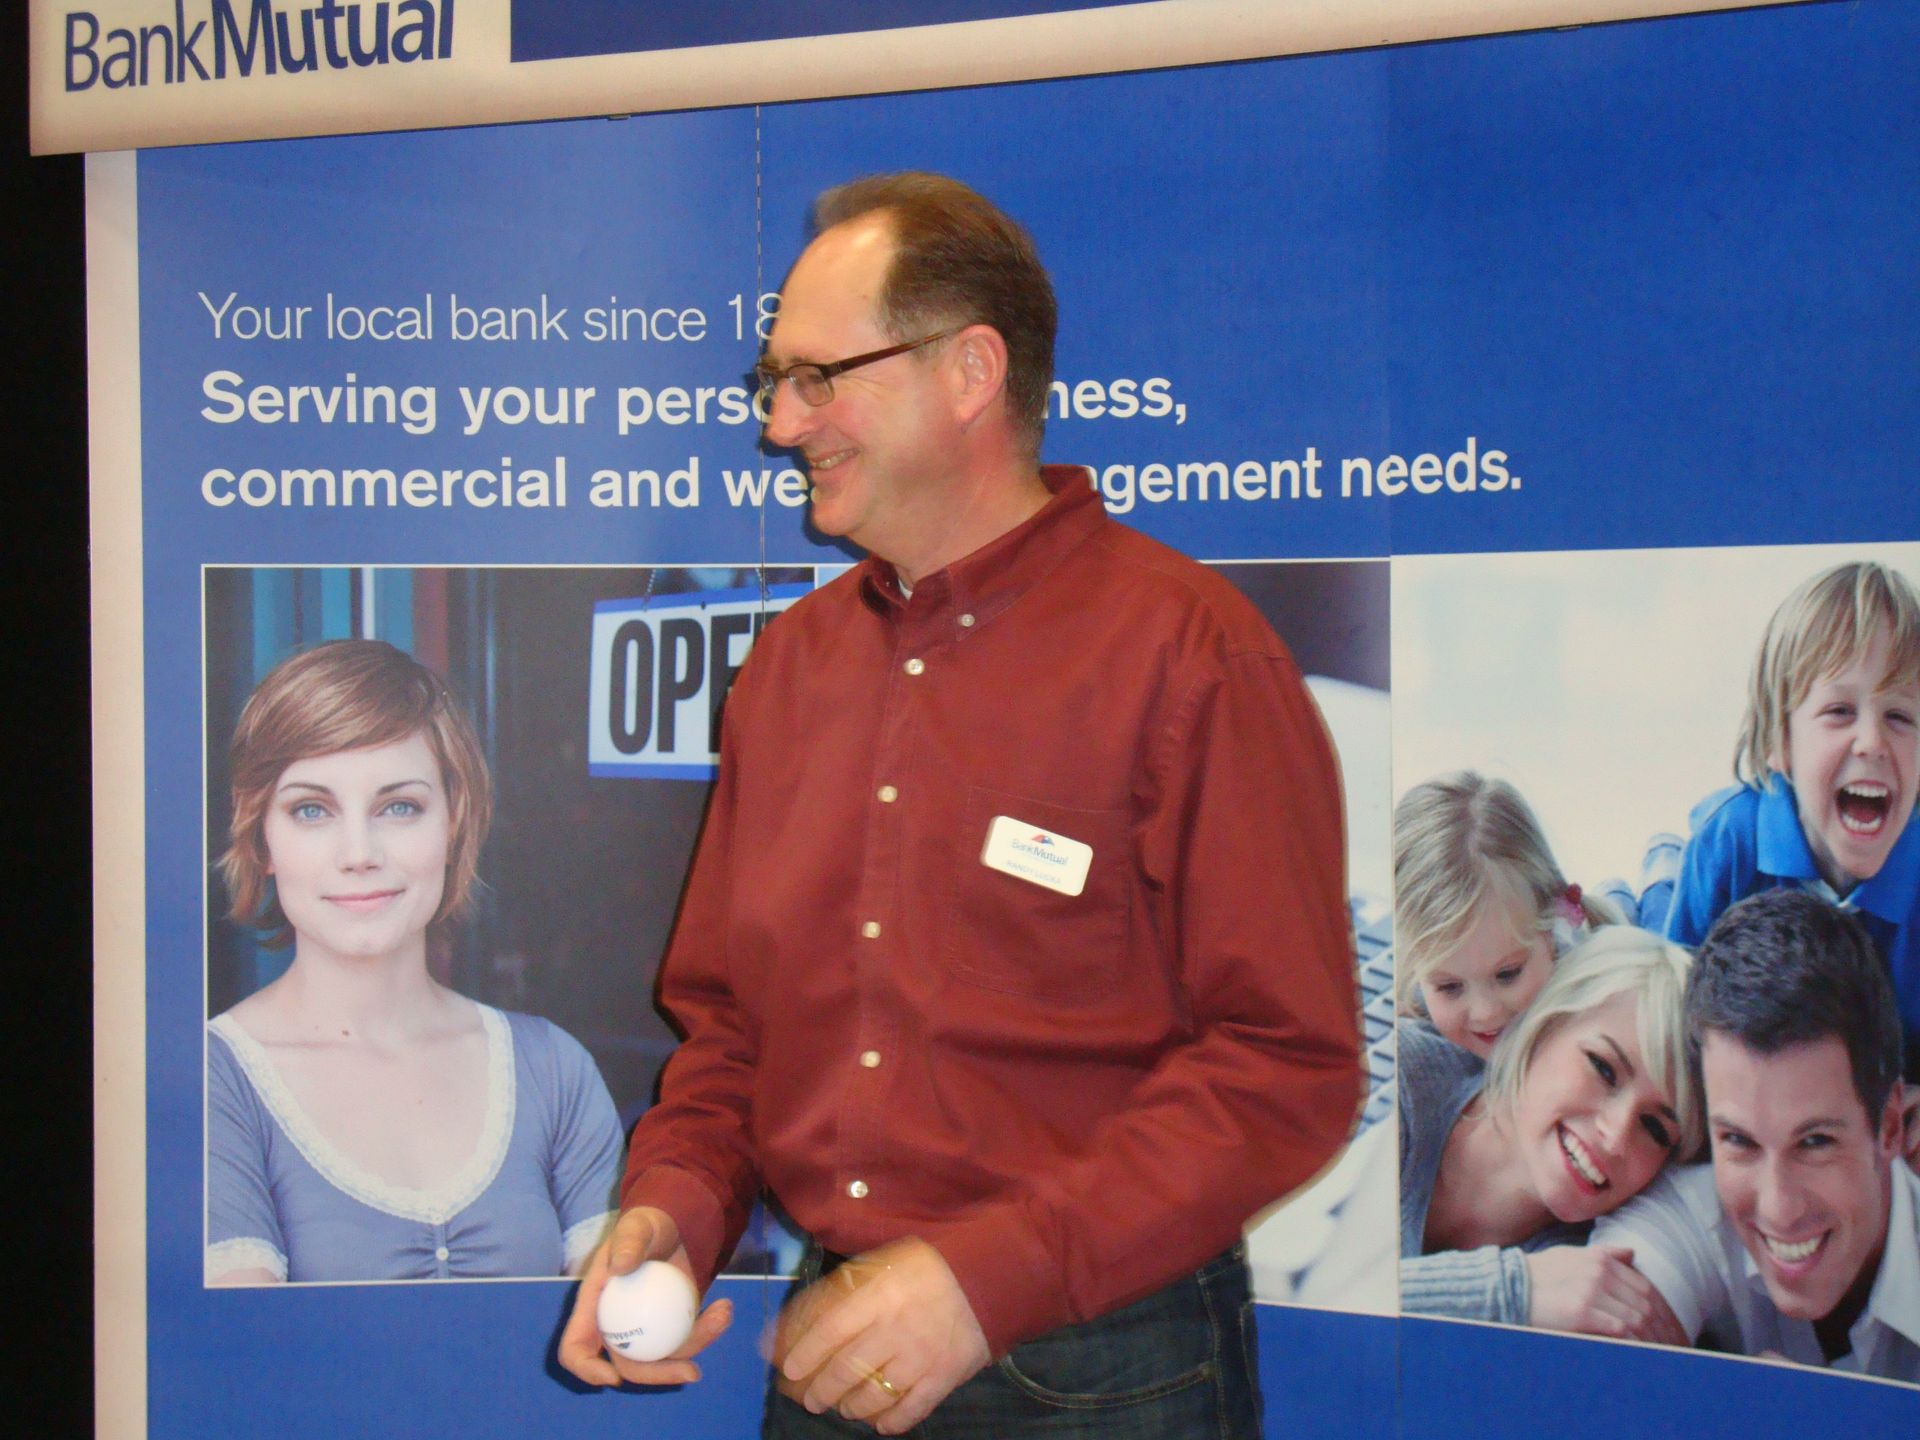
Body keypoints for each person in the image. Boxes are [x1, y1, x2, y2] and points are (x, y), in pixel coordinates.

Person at [557, 173, 1359, 1437]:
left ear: (971, 372)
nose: (780, 424)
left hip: (1104, 1367)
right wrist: (672, 1211)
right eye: (775, 380)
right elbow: (729, 1037)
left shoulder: (1191, 658)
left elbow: (1286, 1070)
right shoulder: (791, 672)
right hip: (833, 1351)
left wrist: (983, 1285)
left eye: (819, 376)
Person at [206, 639, 623, 1284]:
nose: (359, 853)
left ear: (454, 822)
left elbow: (607, 1342)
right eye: (311, 810)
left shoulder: (555, 1070)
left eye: (398, 806)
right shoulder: (210, 1081)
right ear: (262, 837)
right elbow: (246, 1365)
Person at [1594, 890, 1920, 1382]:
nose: (1778, 1209)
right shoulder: (1683, 1217)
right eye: (1739, 1142)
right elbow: (1592, 1376)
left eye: (1815, 1143)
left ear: (1889, 1126)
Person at [1666, 560, 1920, 1085]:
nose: (1872, 740)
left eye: (1900, 716)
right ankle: (1658, 865)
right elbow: (1670, 1014)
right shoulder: (1729, 842)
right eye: (1839, 711)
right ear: (1780, 742)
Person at [1399, 926, 1701, 1338]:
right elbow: (1290, 1301)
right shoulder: (1399, 1077)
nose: (1615, 1136)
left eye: (1654, 1128)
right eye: (1604, 1068)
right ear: (1542, 1025)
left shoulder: (1590, 1276)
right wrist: (1512, 1291)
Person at [1394, 771, 1618, 1058]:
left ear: (1554, 929)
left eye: (1507, 974)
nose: (1485, 1013)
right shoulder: (1411, 999)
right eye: (1450, 987)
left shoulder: (1597, 992)